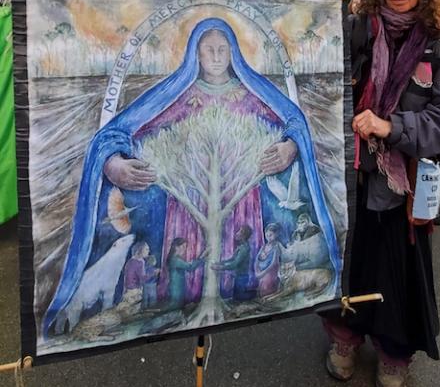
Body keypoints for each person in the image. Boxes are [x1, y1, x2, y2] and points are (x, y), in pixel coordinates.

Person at [44, 18, 340, 336]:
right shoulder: (176, 95)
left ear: (234, 53)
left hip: (240, 195)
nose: (215, 56)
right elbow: (116, 134)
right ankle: (187, 302)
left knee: (235, 259)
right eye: (207, 49)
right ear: (194, 54)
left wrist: (291, 146)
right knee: (192, 257)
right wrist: (114, 164)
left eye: (222, 50)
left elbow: (294, 123)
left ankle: (237, 298)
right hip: (190, 196)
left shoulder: (252, 94)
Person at [322, 0, 440, 387]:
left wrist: (390, 126)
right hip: (348, 174)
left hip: (403, 188)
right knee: (347, 261)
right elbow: (317, 80)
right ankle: (344, 337)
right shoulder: (354, 28)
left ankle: (393, 355)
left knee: (396, 273)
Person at [211, 225, 256, 301]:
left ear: (244, 236)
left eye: (240, 232)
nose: (237, 233)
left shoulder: (244, 249)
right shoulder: (241, 246)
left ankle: (255, 293)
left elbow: (235, 264)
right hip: (238, 276)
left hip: (242, 277)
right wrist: (220, 263)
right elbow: (232, 259)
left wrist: (220, 267)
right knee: (236, 297)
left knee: (239, 298)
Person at [164, 237, 205, 310]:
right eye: (183, 246)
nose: (185, 249)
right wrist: (202, 257)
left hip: (176, 287)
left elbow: (187, 265)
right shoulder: (176, 260)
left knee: (177, 308)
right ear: (176, 247)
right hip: (176, 289)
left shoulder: (175, 258)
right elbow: (190, 267)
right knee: (176, 308)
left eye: (185, 247)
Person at [254, 223, 283, 298]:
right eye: (267, 235)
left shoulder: (276, 247)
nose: (268, 237)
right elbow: (257, 259)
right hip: (261, 272)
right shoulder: (264, 246)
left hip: (271, 272)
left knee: (267, 286)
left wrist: (263, 273)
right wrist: (257, 271)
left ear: (276, 235)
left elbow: (274, 263)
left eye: (271, 235)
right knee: (261, 286)